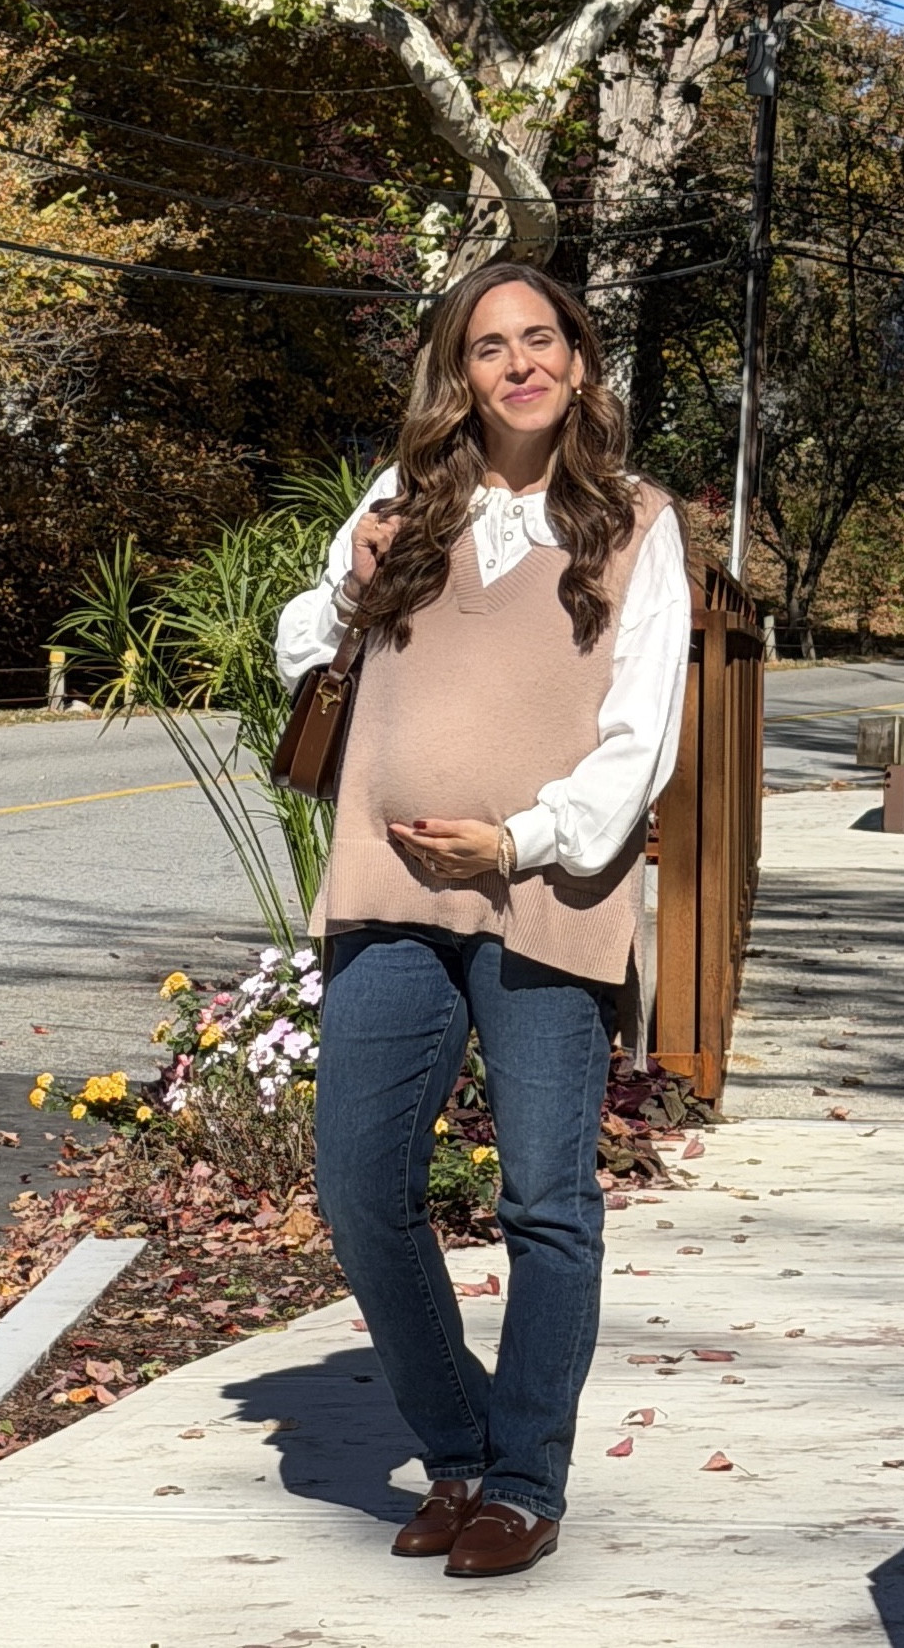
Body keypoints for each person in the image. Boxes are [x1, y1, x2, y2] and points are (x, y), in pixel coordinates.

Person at [274, 260, 691, 1578]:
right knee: (360, 1188)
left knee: (549, 1202)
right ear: (459, 372)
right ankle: (458, 1451)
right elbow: (304, 653)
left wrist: (518, 839)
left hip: (545, 895)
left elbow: (642, 743)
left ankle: (523, 1482)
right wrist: (348, 576)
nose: (517, 362)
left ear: (578, 359)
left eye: (540, 338)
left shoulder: (635, 523)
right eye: (488, 345)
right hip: (391, 894)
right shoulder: (408, 500)